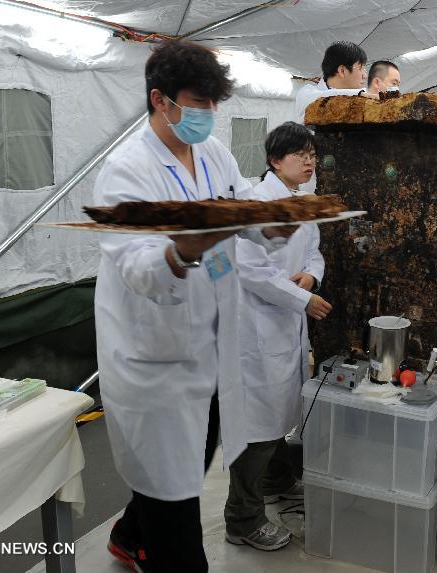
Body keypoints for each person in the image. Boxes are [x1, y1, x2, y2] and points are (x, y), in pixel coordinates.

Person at [95, 39, 294, 572]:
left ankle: (129, 533)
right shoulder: (126, 172)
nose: (207, 115)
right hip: (154, 362)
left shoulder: (214, 153)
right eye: (197, 103)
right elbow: (136, 267)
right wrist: (183, 247)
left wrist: (270, 223)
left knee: (194, 458)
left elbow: (239, 211)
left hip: (209, 346)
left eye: (213, 104)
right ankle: (159, 544)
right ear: (161, 100)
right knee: (177, 512)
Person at [226, 122, 332, 551]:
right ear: (275, 160)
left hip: (285, 323)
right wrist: (299, 299)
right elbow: (249, 270)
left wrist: (311, 275)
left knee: (278, 415)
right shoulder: (255, 204)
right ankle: (242, 519)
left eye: (312, 154)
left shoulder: (304, 201)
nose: (309, 161)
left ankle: (274, 481)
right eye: (300, 154)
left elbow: (314, 251)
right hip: (256, 328)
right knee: (257, 426)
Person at [294, 40, 377, 125]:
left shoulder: (362, 96)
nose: (365, 76)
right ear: (342, 71)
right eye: (360, 69)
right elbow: (320, 99)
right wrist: (359, 94)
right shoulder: (307, 93)